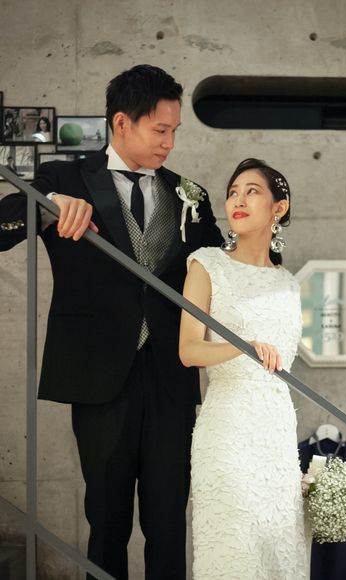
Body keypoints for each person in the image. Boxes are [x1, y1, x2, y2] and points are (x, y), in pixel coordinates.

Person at [0, 64, 223, 580]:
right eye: (160, 130)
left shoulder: (188, 194)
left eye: (175, 131)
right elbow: (2, 224)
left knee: (169, 521)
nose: (169, 143)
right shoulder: (65, 179)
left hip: (171, 376)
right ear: (122, 123)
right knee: (106, 523)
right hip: (98, 377)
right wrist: (46, 206)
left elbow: (221, 268)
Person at [179, 158, 309, 579]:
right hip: (227, 432)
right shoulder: (206, 265)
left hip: (276, 432)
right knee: (234, 553)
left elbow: (283, 364)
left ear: (278, 208)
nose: (238, 200)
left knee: (279, 556)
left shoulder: (288, 283)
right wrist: (243, 347)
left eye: (252, 192)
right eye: (233, 192)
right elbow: (189, 350)